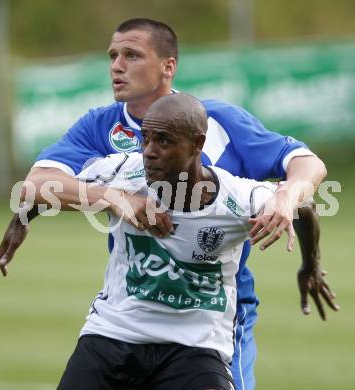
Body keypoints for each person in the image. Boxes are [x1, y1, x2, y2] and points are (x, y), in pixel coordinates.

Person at [0, 18, 339, 390]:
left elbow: (307, 166)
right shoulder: (102, 130)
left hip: (211, 317)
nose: (117, 65)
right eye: (113, 55)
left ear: (168, 66)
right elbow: (39, 184)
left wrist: (287, 197)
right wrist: (113, 198)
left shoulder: (215, 122)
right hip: (132, 311)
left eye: (131, 55)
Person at [59, 92, 286, 389]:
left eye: (163, 141)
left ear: (197, 145)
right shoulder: (125, 173)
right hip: (114, 333)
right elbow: (49, 187)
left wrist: (310, 263)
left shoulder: (239, 199)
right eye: (146, 139)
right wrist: (22, 219)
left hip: (194, 346)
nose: (149, 152)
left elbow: (304, 210)